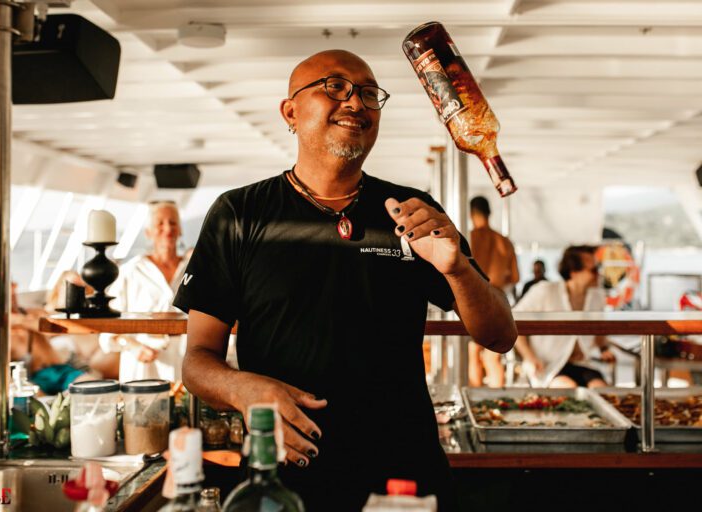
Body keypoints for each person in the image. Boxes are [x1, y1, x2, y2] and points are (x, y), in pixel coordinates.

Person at [173, 50, 516, 510]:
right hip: (287, 474)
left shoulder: (414, 211)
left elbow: (500, 335)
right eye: (335, 87)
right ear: (290, 112)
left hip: (402, 477)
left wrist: (457, 269)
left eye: (370, 94)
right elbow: (197, 360)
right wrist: (244, 389)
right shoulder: (239, 214)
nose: (356, 102)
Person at [100, 201, 190, 382]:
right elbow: (108, 328)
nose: (168, 228)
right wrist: (132, 346)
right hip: (142, 367)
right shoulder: (131, 271)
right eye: (160, 223)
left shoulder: (195, 270)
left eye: (173, 222)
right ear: (148, 232)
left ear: (180, 230)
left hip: (186, 361)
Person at [513, 245, 616, 388]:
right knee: (568, 390)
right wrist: (529, 357)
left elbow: (599, 334)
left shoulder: (597, 297)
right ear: (574, 272)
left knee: (601, 390)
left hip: (585, 363)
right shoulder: (544, 290)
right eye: (593, 270)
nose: (599, 274)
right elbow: (514, 321)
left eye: (599, 268)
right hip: (549, 366)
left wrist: (604, 349)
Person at [467, 195, 519, 387]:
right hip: (497, 300)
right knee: (493, 357)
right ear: (490, 212)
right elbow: (515, 277)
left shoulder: (468, 239)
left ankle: (475, 399)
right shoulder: (504, 242)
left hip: (472, 301)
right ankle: (497, 401)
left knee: (473, 354)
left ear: (471, 214)